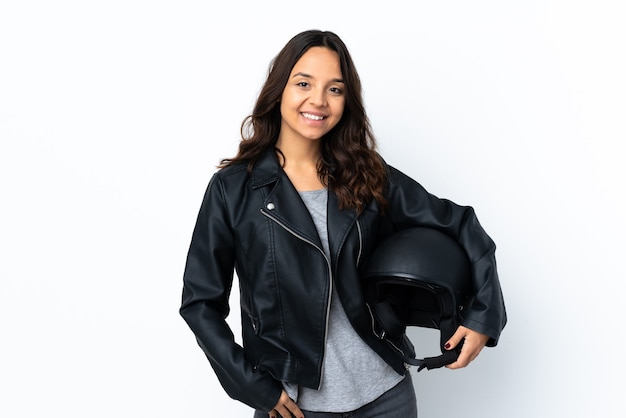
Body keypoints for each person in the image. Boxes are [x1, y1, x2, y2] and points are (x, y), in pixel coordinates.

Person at [179, 29, 506, 418]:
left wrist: (483, 315)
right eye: (304, 83)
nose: (318, 100)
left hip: (387, 396)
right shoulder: (233, 189)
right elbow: (200, 303)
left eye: (335, 89)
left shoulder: (367, 175)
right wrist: (252, 386)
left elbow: (459, 222)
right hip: (294, 407)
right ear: (279, 88)